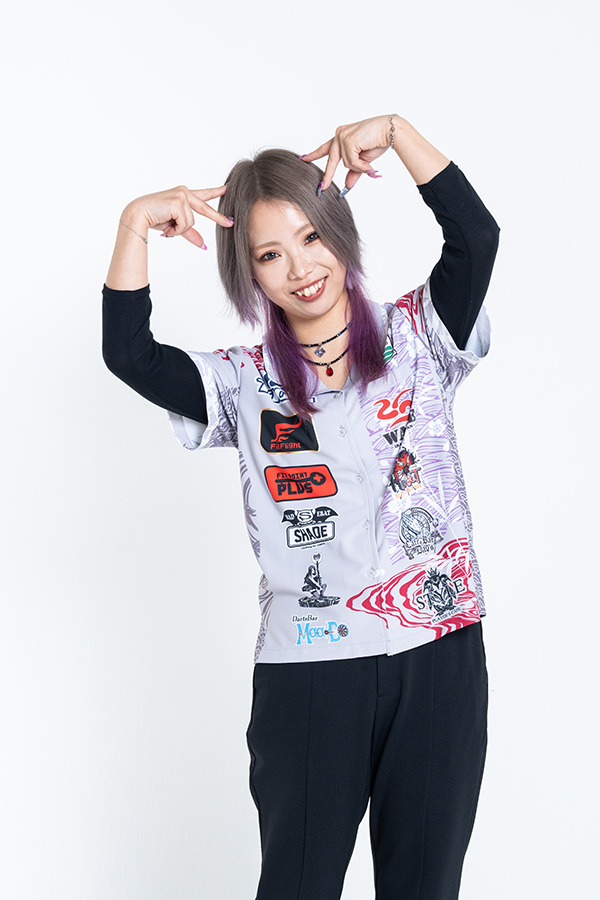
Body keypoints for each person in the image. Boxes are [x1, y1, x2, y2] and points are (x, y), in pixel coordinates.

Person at [102, 113, 500, 900]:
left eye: (311, 237)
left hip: (439, 656)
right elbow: (130, 354)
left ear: (339, 231)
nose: (300, 268)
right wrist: (134, 224)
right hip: (310, 673)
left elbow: (476, 237)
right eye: (270, 254)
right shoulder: (241, 382)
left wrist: (398, 132)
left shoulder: (421, 336)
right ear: (250, 274)